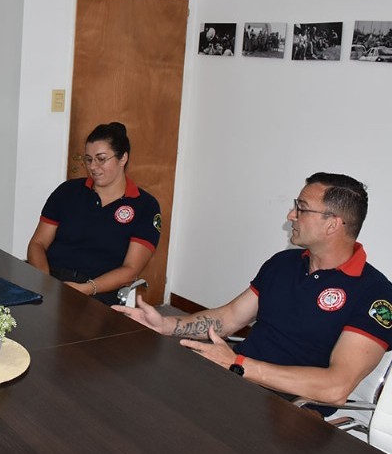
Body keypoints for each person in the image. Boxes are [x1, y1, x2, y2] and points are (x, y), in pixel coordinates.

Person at [114, 172, 392, 409]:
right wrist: (166, 324)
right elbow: (230, 317)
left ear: (333, 224)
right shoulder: (284, 263)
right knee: (137, 394)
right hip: (236, 383)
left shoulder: (375, 293)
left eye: (302, 208)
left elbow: (336, 388)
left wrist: (239, 364)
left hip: (290, 410)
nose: (291, 214)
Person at [26, 122, 161, 305]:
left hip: (98, 291)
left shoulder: (145, 206)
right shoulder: (68, 191)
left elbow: (130, 269)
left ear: (123, 158)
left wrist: (86, 289)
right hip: (51, 278)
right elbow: (38, 243)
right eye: (88, 159)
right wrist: (45, 281)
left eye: (101, 159)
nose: (93, 167)